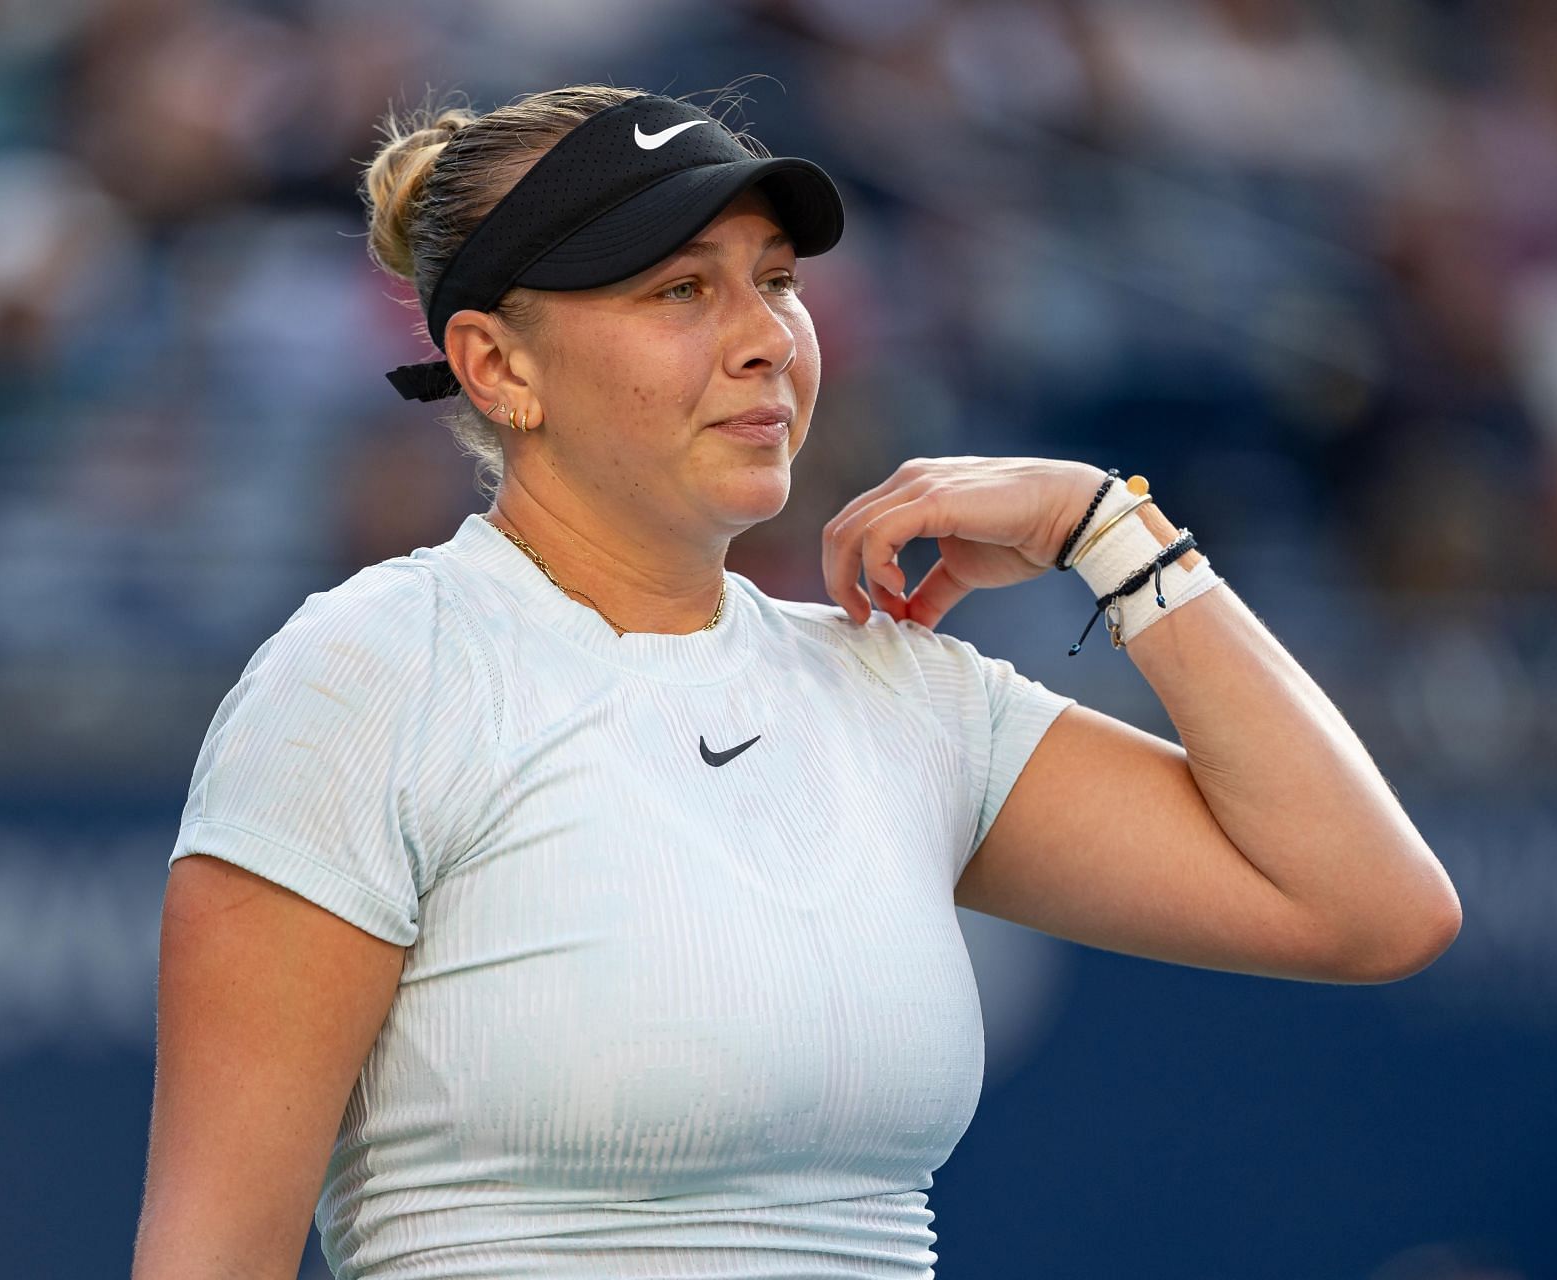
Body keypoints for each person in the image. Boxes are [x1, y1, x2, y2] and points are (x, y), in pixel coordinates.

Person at [131, 84, 1461, 1280]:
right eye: (680, 291)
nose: (766, 336)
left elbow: (1368, 908)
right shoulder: (369, 675)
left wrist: (1108, 530)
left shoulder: (900, 690)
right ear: (498, 365)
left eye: (777, 281)